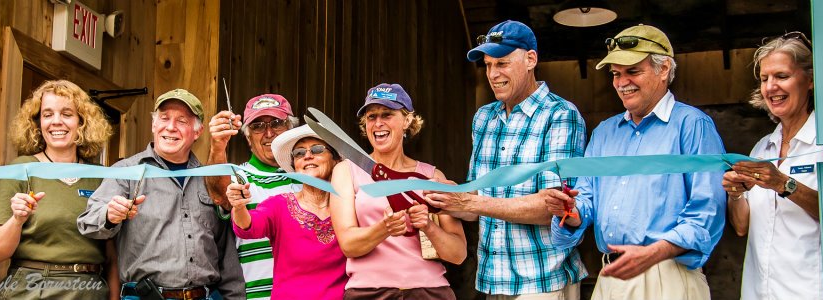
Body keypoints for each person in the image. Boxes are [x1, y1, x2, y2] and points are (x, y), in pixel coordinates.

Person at [545, 24, 726, 299]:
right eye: (616, 74)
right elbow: (586, 200)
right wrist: (568, 211)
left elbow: (708, 211)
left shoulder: (693, 125)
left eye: (633, 71)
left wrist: (655, 252)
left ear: (664, 69)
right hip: (610, 279)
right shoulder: (605, 132)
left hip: (667, 276)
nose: (621, 82)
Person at [425, 20, 588, 299]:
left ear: (530, 59)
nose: (492, 74)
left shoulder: (560, 115)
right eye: (487, 65)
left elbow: (554, 207)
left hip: (543, 282)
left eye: (502, 63)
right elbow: (475, 201)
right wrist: (444, 195)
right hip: (492, 280)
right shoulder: (484, 117)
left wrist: (470, 201)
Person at [77, 88, 244, 299]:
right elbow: (88, 223)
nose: (171, 127)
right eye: (164, 118)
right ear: (154, 125)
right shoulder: (127, 171)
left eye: (182, 121)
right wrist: (109, 216)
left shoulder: (208, 178)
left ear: (198, 131)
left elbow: (225, 251)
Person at [330, 83, 466, 299]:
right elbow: (348, 244)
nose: (378, 123)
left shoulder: (431, 176)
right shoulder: (347, 171)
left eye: (387, 114)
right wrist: (385, 228)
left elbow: (458, 254)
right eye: (371, 117)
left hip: (429, 291)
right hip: (369, 292)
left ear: (407, 120)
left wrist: (429, 226)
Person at [0, 79, 116, 299]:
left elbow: (113, 256)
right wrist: (17, 220)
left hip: (89, 290)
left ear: (82, 122)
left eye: (67, 114)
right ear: (37, 123)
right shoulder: (21, 169)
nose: (56, 122)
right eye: (47, 114)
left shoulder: (102, 176)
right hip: (32, 288)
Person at [722, 32, 823, 300]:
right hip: (758, 293)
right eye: (765, 79)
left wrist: (783, 183)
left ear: (810, 80)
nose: (770, 87)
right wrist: (735, 193)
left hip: (810, 292)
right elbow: (742, 227)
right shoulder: (761, 149)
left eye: (781, 76)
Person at [226, 125, 347, 299]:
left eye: (317, 149)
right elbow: (249, 226)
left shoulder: (350, 207)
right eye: (299, 153)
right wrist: (239, 206)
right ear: (294, 166)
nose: (307, 155)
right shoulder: (279, 205)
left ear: (335, 159)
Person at [205, 94, 302, 299]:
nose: (268, 133)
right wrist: (218, 146)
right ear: (248, 138)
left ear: (291, 131)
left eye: (277, 123)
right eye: (257, 126)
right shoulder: (239, 176)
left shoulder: (309, 177)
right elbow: (219, 194)